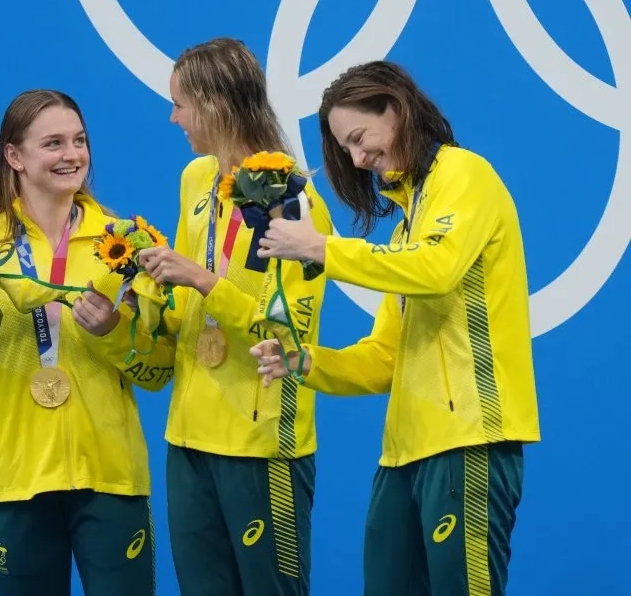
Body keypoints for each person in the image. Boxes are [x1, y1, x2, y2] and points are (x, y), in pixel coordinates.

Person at [252, 60, 540, 595]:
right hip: (403, 453)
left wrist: (322, 249)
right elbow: (385, 356)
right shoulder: (408, 225)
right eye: (347, 151)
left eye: (359, 138)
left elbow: (438, 269)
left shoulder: (463, 173)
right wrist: (304, 361)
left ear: (394, 107)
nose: (359, 159)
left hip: (470, 439)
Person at [0, 89, 174, 596]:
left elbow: (159, 372)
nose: (72, 155)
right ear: (13, 156)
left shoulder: (130, 243)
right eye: (53, 143)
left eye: (79, 141)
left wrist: (112, 333)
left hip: (110, 478)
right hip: (16, 479)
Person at [138, 37, 332, 596]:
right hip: (189, 436)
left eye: (181, 104)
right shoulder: (196, 179)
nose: (173, 118)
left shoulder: (295, 201)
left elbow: (292, 324)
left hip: (260, 439)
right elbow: (185, 299)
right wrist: (145, 295)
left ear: (218, 105)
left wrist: (204, 281)